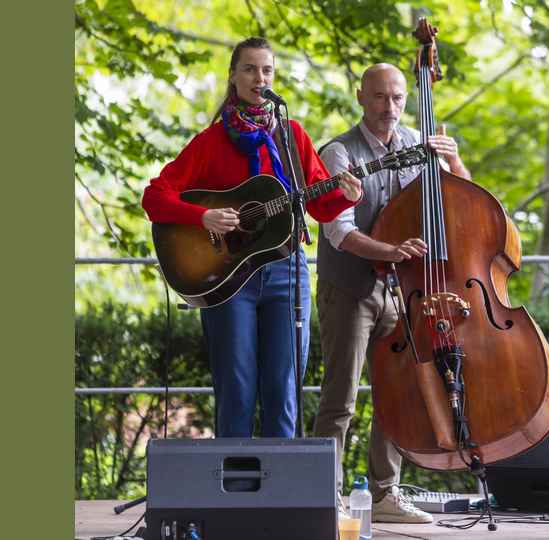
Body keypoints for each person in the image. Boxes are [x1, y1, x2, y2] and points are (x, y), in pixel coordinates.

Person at [142, 37, 362, 439]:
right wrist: (204, 215)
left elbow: (319, 206)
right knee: (237, 389)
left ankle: (281, 479)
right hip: (229, 278)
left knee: (284, 389)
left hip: (286, 272)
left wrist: (347, 195)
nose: (259, 78)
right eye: (249, 69)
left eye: (267, 70)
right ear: (233, 76)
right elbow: (154, 197)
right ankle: (235, 477)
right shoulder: (211, 141)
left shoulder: (292, 135)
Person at [313, 63, 471, 523]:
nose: (390, 107)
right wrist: (391, 251)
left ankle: (385, 495)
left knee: (397, 395)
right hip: (351, 288)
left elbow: (462, 198)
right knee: (340, 400)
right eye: (380, 97)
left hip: (402, 292)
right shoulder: (339, 152)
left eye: (398, 97)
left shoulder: (416, 144)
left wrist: (454, 161)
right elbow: (339, 233)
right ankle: (325, 497)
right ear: (361, 97)